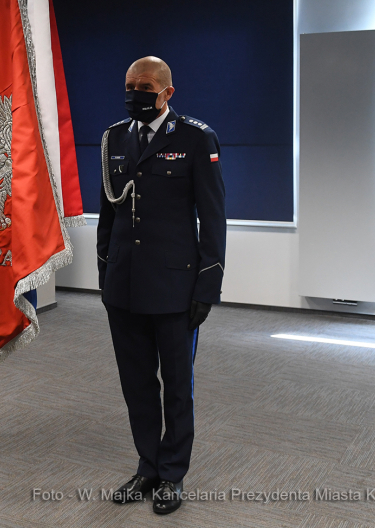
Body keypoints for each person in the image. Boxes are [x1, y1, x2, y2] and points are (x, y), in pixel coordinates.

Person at [97, 56, 225, 516]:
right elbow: (108, 213)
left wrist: (207, 287)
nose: (135, 94)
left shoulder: (195, 138)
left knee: (176, 386)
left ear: (168, 92)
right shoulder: (114, 138)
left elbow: (212, 217)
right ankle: (147, 465)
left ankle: (172, 473)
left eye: (146, 86)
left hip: (175, 289)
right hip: (124, 286)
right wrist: (104, 273)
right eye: (129, 85)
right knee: (136, 384)